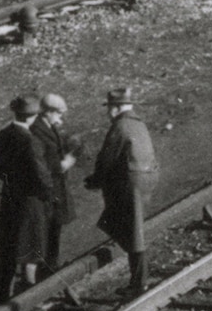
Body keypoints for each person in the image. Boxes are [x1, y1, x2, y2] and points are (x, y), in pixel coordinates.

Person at [92, 86, 158, 290]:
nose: (108, 113)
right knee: (132, 227)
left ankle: (139, 283)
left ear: (115, 108)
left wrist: (96, 180)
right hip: (146, 179)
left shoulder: (120, 126)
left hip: (131, 183)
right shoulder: (138, 124)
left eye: (109, 108)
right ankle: (138, 279)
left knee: (133, 232)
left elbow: (107, 158)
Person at [0, 93, 50, 304]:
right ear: (34, 116)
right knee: (30, 248)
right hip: (30, 201)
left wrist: (11, 182)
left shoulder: (4, 134)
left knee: (9, 246)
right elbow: (41, 175)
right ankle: (28, 296)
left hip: (9, 197)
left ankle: (4, 292)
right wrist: (47, 193)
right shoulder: (30, 141)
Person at [31, 96, 84, 286]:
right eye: (59, 113)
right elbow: (44, 163)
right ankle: (42, 277)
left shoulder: (49, 127)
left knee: (54, 230)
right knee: (45, 234)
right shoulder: (36, 131)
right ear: (48, 112)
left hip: (56, 190)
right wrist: (67, 162)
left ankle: (50, 271)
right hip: (47, 191)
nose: (61, 118)